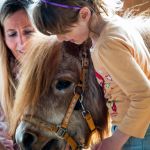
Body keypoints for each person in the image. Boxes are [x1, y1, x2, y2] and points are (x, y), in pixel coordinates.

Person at [32, 0, 150, 150]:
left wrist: (116, 140)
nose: (60, 39)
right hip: (135, 128)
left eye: (63, 31)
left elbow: (144, 95)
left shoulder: (107, 45)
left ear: (84, 14)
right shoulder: (115, 26)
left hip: (138, 133)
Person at [0, 0, 35, 149]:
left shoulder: (60, 66)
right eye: (12, 34)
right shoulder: (4, 77)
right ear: (4, 38)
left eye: (28, 32)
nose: (22, 43)